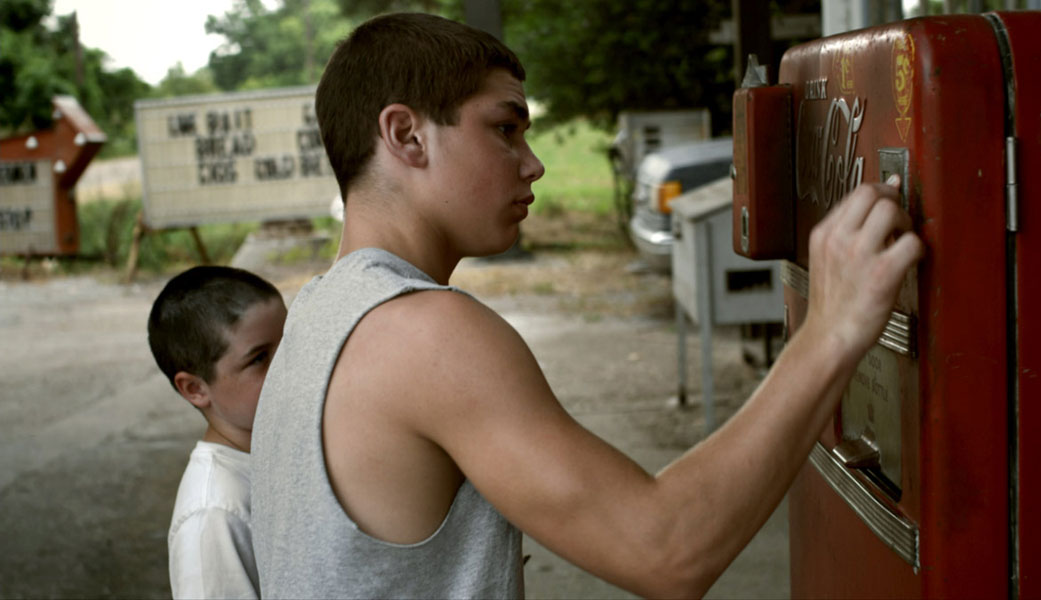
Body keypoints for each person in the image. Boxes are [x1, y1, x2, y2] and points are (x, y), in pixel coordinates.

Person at [251, 12, 923, 599]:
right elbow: (666, 550)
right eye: (504, 128)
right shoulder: (422, 333)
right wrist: (829, 329)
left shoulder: (320, 310)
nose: (532, 162)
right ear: (406, 137)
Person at [148, 266, 287, 599]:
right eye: (260, 358)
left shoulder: (280, 452)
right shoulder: (213, 514)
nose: (289, 364)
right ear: (195, 389)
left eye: (292, 340)